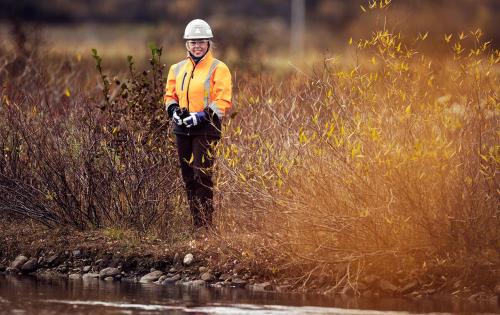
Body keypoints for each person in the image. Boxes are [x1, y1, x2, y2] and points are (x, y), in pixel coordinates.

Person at [164, 19, 232, 228]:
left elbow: (223, 100)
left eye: (201, 41)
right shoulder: (177, 68)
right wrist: (173, 111)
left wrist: (201, 116)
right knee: (188, 177)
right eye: (193, 42)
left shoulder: (219, 68)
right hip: (182, 128)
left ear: (208, 43)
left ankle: (206, 226)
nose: (197, 45)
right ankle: (197, 225)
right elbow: (169, 95)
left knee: (202, 175)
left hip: (206, 129)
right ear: (187, 44)